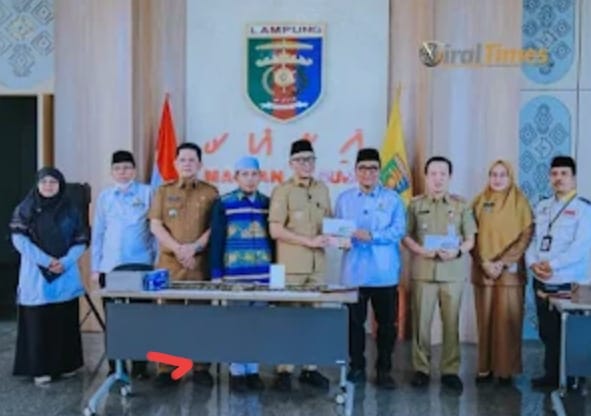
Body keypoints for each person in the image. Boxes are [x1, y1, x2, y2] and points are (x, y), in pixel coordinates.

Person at [334, 148, 406, 389]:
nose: (368, 173)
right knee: (354, 325)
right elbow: (337, 231)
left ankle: (384, 370)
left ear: (379, 171)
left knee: (386, 326)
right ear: (355, 171)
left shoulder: (392, 199)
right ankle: (356, 367)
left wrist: (372, 235)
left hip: (384, 273)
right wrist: (339, 240)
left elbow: (399, 230)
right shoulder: (344, 199)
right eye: (363, 168)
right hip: (354, 273)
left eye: (373, 168)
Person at [9, 167, 89, 385]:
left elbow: (81, 240)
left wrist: (65, 262)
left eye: (53, 182)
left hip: (64, 271)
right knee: (39, 322)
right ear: (37, 184)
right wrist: (47, 261)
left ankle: (66, 365)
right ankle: (40, 368)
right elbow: (19, 240)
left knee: (63, 319)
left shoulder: (71, 210)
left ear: (60, 185)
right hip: (36, 274)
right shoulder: (26, 208)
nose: (48, 186)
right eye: (44, 182)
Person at [403, 156, 476, 394]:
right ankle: (421, 369)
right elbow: (405, 236)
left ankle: (450, 371)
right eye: (433, 174)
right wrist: (420, 250)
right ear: (426, 177)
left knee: (451, 324)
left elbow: (470, 239)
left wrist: (457, 251)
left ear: (449, 177)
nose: (438, 179)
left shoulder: (461, 205)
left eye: (443, 174)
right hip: (424, 272)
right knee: (421, 325)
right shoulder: (414, 205)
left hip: (452, 273)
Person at [149, 142, 218, 387]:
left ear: (200, 164)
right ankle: (168, 369)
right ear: (175, 163)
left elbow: (214, 228)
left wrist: (194, 248)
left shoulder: (211, 192)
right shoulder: (163, 191)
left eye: (192, 160)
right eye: (183, 160)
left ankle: (200, 367)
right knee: (169, 318)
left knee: (200, 318)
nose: (187, 164)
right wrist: (179, 249)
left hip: (199, 265)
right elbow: (155, 225)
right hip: (170, 265)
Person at [268, 138, 331, 392]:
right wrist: (309, 241)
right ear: (291, 163)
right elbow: (275, 230)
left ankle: (309, 368)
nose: (306, 164)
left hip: (317, 266)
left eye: (310, 159)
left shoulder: (322, 189)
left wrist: (340, 236)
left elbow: (329, 223)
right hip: (291, 266)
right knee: (288, 319)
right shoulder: (283, 191)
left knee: (313, 319)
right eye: (301, 160)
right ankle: (284, 370)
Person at [526, 155, 591, 389]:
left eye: (564, 174)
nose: (559, 178)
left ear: (573, 178)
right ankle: (552, 374)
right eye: (554, 174)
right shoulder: (543, 206)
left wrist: (552, 265)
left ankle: (572, 376)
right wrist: (533, 263)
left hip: (567, 280)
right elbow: (533, 240)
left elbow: (580, 248)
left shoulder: (583, 209)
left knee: (568, 332)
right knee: (547, 331)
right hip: (542, 279)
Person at [209, 156, 272, 393]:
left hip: (263, 275)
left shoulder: (267, 203)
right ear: (236, 177)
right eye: (244, 174)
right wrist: (216, 273)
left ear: (260, 176)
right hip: (234, 275)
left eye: (254, 174)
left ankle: (253, 371)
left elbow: (273, 239)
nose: (250, 179)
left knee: (258, 325)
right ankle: (236, 372)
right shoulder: (224, 203)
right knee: (237, 325)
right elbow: (217, 239)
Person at [91, 150, 155, 378]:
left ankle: (140, 366)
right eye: (117, 168)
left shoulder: (147, 193)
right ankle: (114, 366)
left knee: (140, 318)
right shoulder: (105, 197)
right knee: (114, 319)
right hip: (110, 267)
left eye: (127, 167)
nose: (122, 172)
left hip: (140, 264)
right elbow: (98, 233)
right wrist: (96, 267)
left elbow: (155, 231)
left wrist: (156, 263)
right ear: (112, 172)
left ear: (134, 170)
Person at [470, 160, 533, 385]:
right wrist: (484, 262)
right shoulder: (479, 201)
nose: (497, 179)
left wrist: (503, 262)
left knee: (507, 324)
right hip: (484, 271)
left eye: (502, 175)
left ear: (510, 177)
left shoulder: (520, 202)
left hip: (510, 274)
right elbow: (470, 235)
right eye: (493, 174)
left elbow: (526, 235)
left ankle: (505, 371)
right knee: (485, 321)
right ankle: (485, 368)